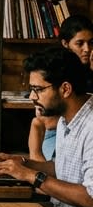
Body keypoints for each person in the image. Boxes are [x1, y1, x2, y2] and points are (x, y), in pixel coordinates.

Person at [0, 46, 93, 207]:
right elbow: (63, 168)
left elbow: (91, 197)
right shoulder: (66, 117)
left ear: (65, 89)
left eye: (38, 89)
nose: (32, 97)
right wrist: (23, 163)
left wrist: (31, 177)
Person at [28, 13, 93, 161]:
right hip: (55, 131)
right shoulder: (53, 70)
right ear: (65, 44)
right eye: (80, 43)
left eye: (91, 43)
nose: (87, 49)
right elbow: (47, 121)